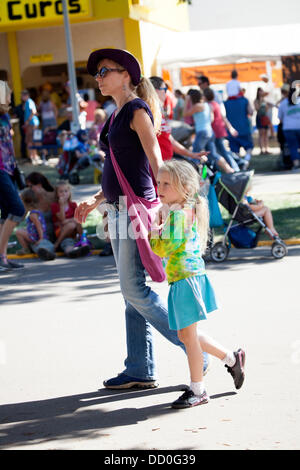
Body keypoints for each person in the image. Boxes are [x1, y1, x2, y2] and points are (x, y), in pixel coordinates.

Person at [75, 47, 209, 390]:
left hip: (134, 211)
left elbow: (154, 160)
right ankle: (139, 367)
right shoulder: (114, 115)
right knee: (131, 294)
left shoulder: (136, 110)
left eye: (105, 71)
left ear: (126, 75)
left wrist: (165, 205)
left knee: (134, 290)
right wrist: (95, 199)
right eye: (98, 73)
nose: (99, 78)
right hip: (118, 208)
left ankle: (196, 350)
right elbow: (120, 167)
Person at [149, 159, 245, 408]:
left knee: (188, 338)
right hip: (184, 279)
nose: (160, 188)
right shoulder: (180, 210)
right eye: (159, 182)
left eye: (167, 184)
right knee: (185, 334)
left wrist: (153, 229)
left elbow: (162, 248)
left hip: (186, 280)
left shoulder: (179, 215)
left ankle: (198, 390)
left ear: (185, 188)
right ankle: (231, 359)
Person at [149, 76, 208, 163]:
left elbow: (170, 140)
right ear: (156, 91)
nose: (166, 92)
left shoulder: (158, 113)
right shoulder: (147, 114)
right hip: (157, 168)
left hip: (165, 164)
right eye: (164, 89)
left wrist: (192, 154)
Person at [0, 81, 26, 271]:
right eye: (8, 93)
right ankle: (1, 256)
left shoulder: (6, 117)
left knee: (7, 212)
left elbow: (8, 146)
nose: (11, 95)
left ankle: (3, 257)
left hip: (9, 169)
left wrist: (15, 166)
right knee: (18, 209)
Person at [183, 88, 234, 173]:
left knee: (195, 154)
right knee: (213, 155)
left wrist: (186, 100)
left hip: (202, 132)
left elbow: (185, 114)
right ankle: (229, 170)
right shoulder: (207, 105)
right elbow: (212, 119)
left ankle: (192, 175)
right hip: (210, 131)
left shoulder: (197, 106)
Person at [203, 87, 242, 171]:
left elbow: (211, 119)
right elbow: (223, 117)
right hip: (220, 130)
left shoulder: (209, 105)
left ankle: (233, 168)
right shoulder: (216, 104)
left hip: (215, 131)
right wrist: (230, 128)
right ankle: (233, 167)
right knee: (222, 151)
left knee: (217, 152)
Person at [51, 181, 89, 257]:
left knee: (77, 222)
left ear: (69, 192)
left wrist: (68, 220)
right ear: (57, 194)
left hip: (74, 230)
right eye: (61, 191)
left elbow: (77, 218)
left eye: (66, 191)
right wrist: (61, 205)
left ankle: (82, 240)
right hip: (60, 230)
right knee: (71, 225)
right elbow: (62, 220)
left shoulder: (73, 204)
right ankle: (57, 244)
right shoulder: (55, 205)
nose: (64, 193)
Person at [224, 92, 254, 170]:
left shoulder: (225, 103)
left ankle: (240, 165)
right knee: (249, 148)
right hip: (244, 129)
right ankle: (246, 161)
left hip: (232, 132)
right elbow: (251, 112)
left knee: (235, 151)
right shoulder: (244, 100)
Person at [15, 188, 49, 255]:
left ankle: (26, 249)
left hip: (36, 237)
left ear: (25, 202)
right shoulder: (35, 211)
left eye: (21, 200)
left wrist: (41, 238)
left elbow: (38, 226)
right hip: (36, 234)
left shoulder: (33, 215)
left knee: (18, 232)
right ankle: (29, 247)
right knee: (22, 229)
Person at [278, 85, 300, 171]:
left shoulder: (283, 103)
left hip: (288, 128)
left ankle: (296, 164)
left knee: (293, 146)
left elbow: (280, 118)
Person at [22, 89, 41, 164]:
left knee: (30, 141)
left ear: (25, 95)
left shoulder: (29, 101)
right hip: (31, 124)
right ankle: (34, 156)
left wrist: (27, 121)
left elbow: (33, 112)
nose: (21, 97)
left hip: (32, 124)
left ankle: (33, 156)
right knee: (31, 141)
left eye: (22, 96)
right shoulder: (28, 102)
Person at [254, 87, 271, 155]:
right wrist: (261, 101)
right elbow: (257, 108)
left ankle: (266, 149)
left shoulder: (265, 100)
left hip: (265, 117)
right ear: (258, 92)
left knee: (266, 133)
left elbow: (266, 109)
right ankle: (261, 150)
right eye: (260, 91)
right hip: (259, 117)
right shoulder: (256, 100)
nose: (261, 92)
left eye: (262, 91)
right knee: (261, 133)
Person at [260, 74, 276, 138]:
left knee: (269, 119)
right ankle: (270, 134)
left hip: (269, 104)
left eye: (263, 78)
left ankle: (272, 134)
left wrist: (260, 94)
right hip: (267, 104)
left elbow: (266, 93)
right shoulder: (267, 85)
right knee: (267, 119)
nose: (262, 80)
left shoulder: (269, 84)